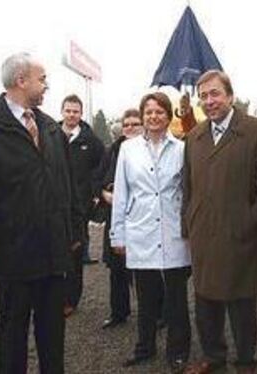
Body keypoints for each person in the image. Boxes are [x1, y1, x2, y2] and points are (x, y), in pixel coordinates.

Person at [0, 52, 81, 373]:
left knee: (53, 337)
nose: (47, 85)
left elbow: (66, 187)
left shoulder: (50, 128)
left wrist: (73, 234)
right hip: (13, 255)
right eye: (42, 79)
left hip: (54, 254)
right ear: (21, 80)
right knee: (13, 335)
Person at [182, 70, 257, 374]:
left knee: (242, 303)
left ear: (230, 96)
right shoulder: (194, 137)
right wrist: (189, 225)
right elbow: (188, 186)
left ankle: (246, 361)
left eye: (215, 93)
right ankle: (213, 356)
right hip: (204, 235)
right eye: (204, 96)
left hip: (242, 234)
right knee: (206, 302)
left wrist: (252, 220)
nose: (209, 101)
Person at [110, 92, 191, 373]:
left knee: (177, 297)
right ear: (142, 117)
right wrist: (116, 234)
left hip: (174, 230)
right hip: (141, 228)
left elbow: (187, 191)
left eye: (159, 112)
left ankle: (179, 351)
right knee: (145, 297)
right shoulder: (128, 149)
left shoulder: (182, 149)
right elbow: (121, 192)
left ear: (168, 116)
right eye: (148, 112)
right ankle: (144, 348)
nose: (153, 117)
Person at [59, 94, 105, 317]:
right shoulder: (51, 134)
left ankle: (70, 299)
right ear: (62, 112)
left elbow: (100, 168)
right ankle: (52, 297)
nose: (71, 115)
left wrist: (94, 193)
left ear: (81, 113)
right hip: (54, 205)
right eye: (68, 110)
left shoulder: (91, 140)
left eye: (75, 111)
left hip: (79, 207)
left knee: (75, 251)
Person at [99, 108, 144, 329]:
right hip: (115, 215)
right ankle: (119, 312)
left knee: (146, 272)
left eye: (135, 124)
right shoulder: (113, 150)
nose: (130, 128)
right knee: (117, 270)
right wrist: (104, 193)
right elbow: (99, 178)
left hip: (141, 217)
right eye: (126, 125)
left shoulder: (148, 149)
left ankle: (155, 313)